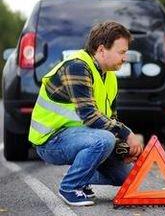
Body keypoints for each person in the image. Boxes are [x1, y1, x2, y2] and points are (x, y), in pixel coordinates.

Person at [28, 21, 143, 206]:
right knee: (104, 139)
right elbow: (89, 115)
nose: (125, 58)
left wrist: (123, 148)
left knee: (128, 176)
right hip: (50, 140)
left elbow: (110, 119)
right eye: (121, 52)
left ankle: (80, 175)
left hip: (81, 136)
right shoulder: (77, 67)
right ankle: (70, 187)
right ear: (101, 49)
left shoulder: (110, 76)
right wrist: (126, 134)